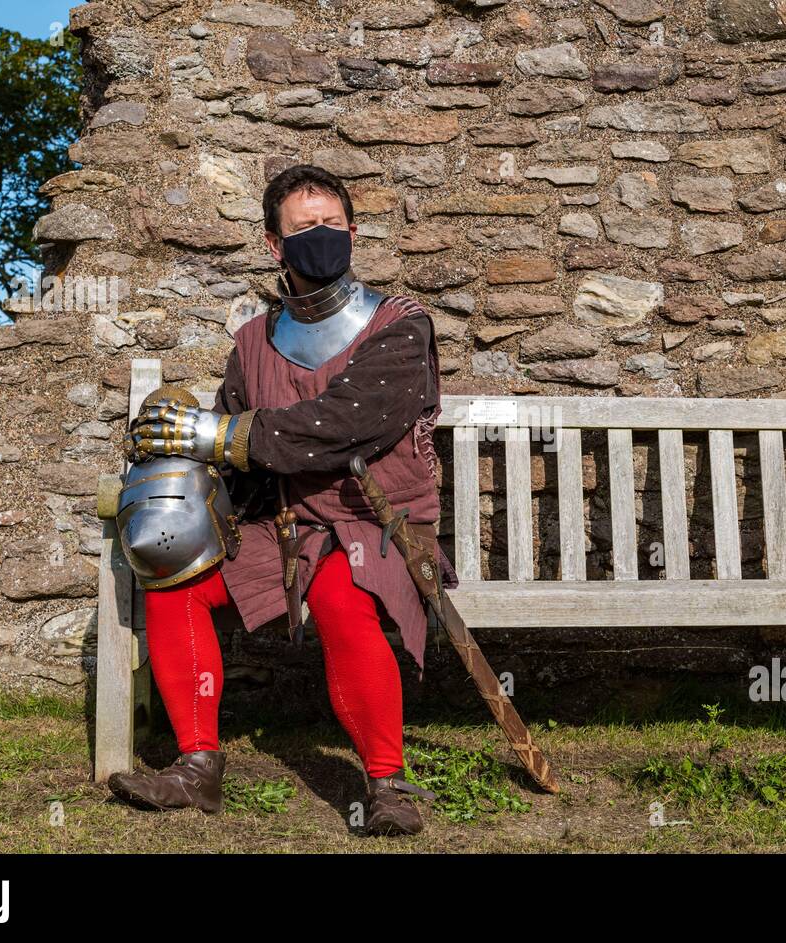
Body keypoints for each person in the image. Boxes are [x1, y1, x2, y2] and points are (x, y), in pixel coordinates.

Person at [108, 164, 456, 837]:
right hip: (280, 525)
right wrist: (170, 465)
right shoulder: (252, 343)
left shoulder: (399, 325)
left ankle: (386, 782)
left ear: (352, 232)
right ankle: (196, 768)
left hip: (372, 522)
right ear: (276, 246)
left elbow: (346, 423)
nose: (321, 237)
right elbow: (230, 451)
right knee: (172, 577)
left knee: (338, 596)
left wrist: (220, 434)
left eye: (332, 225)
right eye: (305, 229)